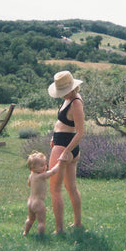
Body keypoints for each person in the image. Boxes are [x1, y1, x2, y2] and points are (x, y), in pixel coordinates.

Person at [47, 70, 85, 234]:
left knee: (55, 189)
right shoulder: (70, 99)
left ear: (71, 88)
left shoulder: (76, 102)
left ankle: (59, 229)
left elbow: (81, 131)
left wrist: (65, 152)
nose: (61, 95)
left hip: (65, 147)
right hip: (62, 143)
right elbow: (64, 123)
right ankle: (77, 224)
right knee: (71, 187)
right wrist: (54, 136)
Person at [23, 151, 63, 236]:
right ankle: (41, 236)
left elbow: (29, 184)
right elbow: (52, 172)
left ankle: (25, 232)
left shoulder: (31, 175)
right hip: (38, 203)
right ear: (33, 167)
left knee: (30, 219)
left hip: (30, 202)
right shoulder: (41, 176)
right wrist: (60, 163)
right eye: (42, 166)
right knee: (41, 222)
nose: (45, 167)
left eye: (45, 164)